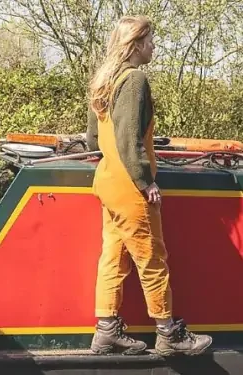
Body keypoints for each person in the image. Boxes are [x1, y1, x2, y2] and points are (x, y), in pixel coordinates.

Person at [86, 15, 212, 356]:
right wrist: (146, 181)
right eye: (151, 41)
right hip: (129, 187)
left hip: (108, 181)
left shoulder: (103, 80)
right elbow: (129, 138)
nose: (155, 46)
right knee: (153, 259)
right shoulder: (135, 79)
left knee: (113, 258)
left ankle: (106, 331)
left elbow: (93, 139)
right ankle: (169, 334)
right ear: (137, 44)